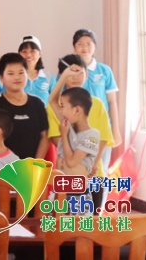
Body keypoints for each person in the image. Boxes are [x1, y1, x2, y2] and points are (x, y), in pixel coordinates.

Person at [46, 55, 111, 179]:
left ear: (77, 110)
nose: (75, 77)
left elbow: (104, 139)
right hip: (65, 177)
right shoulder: (65, 118)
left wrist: (93, 164)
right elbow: (52, 100)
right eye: (71, 73)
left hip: (90, 176)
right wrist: (64, 76)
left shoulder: (96, 106)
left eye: (79, 72)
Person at [73, 29, 121, 171]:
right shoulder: (68, 70)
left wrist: (115, 130)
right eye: (80, 44)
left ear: (95, 46)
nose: (85, 47)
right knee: (79, 169)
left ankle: (100, 188)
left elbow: (112, 101)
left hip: (101, 129)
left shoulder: (104, 70)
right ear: (74, 47)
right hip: (77, 129)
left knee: (100, 169)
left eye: (89, 44)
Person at [0, 53, 49, 160]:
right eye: (11, 73)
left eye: (21, 72)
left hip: (32, 165)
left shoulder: (37, 103)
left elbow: (45, 136)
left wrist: (36, 163)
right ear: (2, 78)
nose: (17, 77)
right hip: (3, 166)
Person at [56, 87, 100, 176]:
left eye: (62, 106)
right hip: (61, 182)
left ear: (77, 110)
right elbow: (52, 100)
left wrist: (64, 136)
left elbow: (71, 162)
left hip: (77, 183)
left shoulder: (92, 135)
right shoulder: (68, 127)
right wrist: (64, 78)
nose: (60, 111)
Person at [19, 35, 56, 104]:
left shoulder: (49, 78)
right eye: (24, 51)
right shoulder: (14, 77)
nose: (28, 55)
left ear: (40, 54)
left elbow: (57, 102)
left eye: (33, 51)